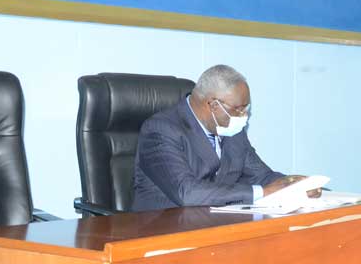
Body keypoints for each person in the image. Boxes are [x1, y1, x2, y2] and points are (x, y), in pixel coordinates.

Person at [132, 64, 314, 211]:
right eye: (238, 109)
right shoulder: (160, 131)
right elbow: (187, 192)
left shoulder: (231, 130)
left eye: (246, 108)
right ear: (213, 105)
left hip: (215, 224)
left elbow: (261, 176)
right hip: (164, 229)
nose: (244, 115)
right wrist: (261, 193)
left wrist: (294, 184)